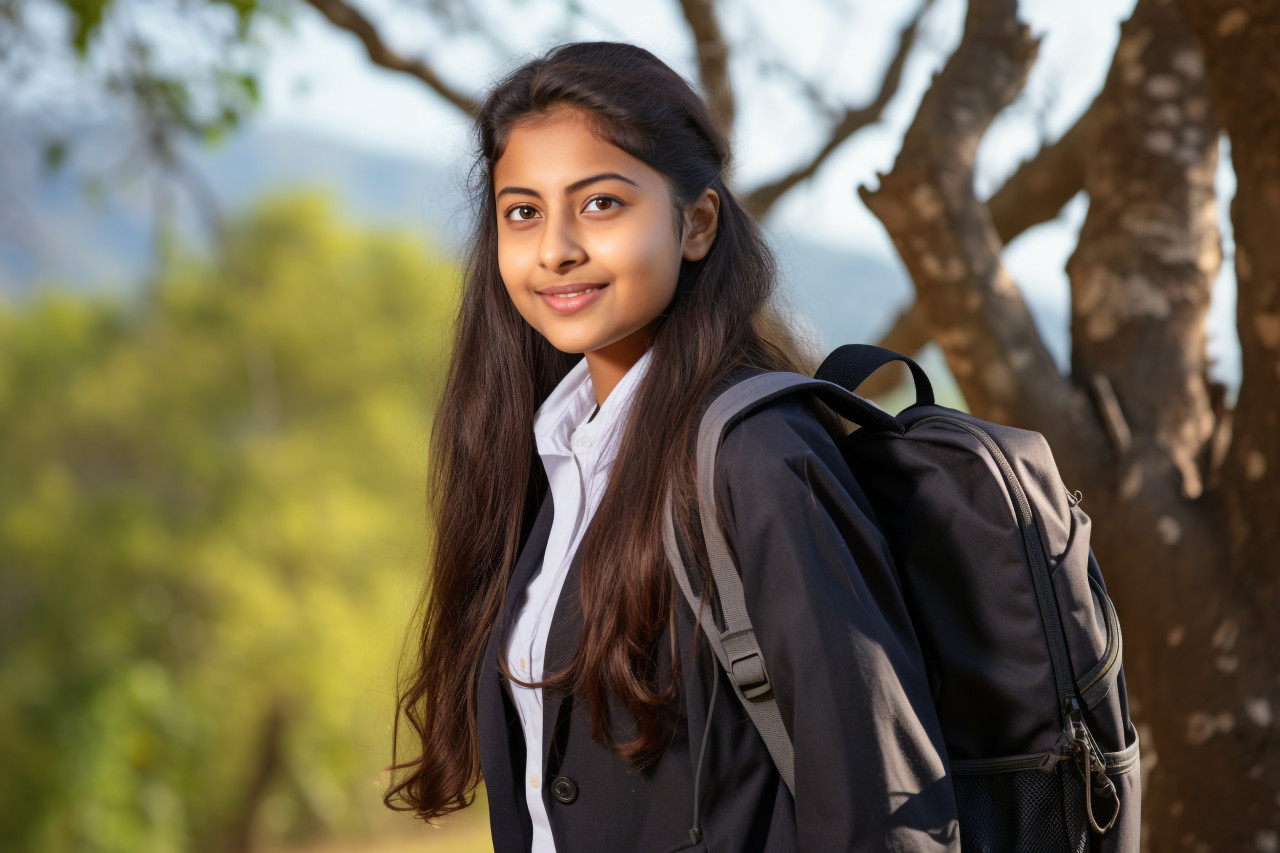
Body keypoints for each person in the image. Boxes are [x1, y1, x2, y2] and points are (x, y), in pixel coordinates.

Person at [384, 40, 960, 851]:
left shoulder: (756, 459)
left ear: (696, 223)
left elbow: (885, 811)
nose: (556, 248)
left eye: (601, 204)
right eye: (524, 211)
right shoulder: (556, 460)